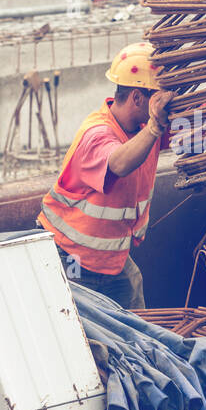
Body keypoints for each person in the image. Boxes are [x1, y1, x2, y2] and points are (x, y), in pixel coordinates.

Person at [37, 42, 174, 309]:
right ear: (137, 97)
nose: (162, 105)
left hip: (112, 259)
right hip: (71, 259)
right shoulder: (96, 134)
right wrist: (155, 127)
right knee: (84, 333)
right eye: (157, 97)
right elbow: (119, 163)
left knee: (136, 326)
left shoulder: (143, 129)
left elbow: (197, 130)